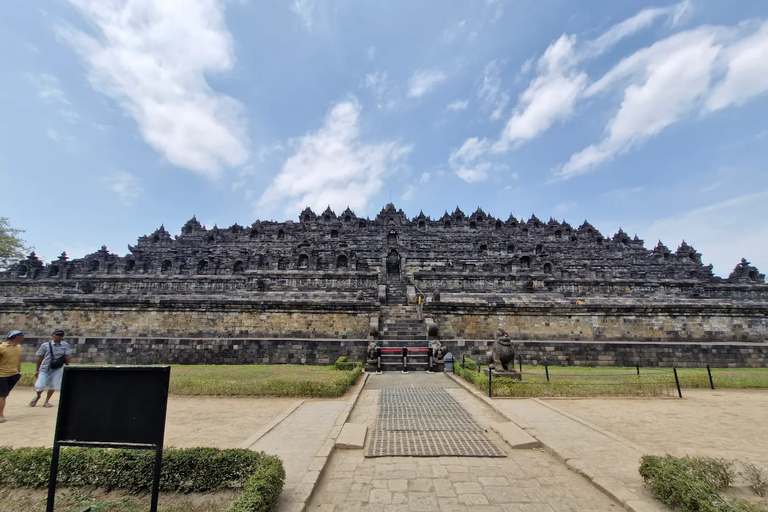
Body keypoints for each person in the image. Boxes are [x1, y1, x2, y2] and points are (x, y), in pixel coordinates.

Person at [30, 329, 72, 408]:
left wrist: (67, 365)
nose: (56, 337)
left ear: (61, 337)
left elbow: (67, 356)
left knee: (53, 386)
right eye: (55, 335)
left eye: (59, 335)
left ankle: (46, 401)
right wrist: (37, 370)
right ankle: (38, 396)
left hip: (56, 368)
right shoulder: (45, 345)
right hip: (45, 368)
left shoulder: (65, 345)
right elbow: (40, 358)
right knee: (40, 385)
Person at [0, 330, 28, 423]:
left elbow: (18, 360)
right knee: (2, 396)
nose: (24, 337)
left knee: (4, 395)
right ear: (16, 337)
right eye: (22, 335)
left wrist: (19, 372)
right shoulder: (2, 348)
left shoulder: (19, 348)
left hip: (14, 374)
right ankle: (0, 415)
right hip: (2, 375)